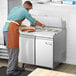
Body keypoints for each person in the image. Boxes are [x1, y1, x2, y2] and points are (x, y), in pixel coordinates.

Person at [3, 1, 45, 76]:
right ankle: (10, 71)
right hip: (11, 30)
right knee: (13, 51)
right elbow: (33, 21)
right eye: (29, 9)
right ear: (27, 5)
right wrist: (42, 25)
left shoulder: (15, 8)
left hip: (6, 29)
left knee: (14, 50)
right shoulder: (24, 11)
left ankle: (15, 67)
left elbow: (14, 19)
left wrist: (22, 26)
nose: (29, 10)